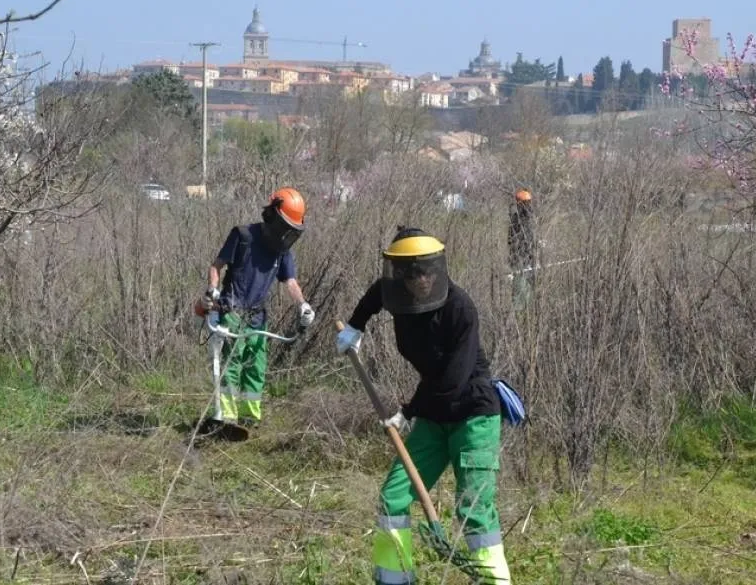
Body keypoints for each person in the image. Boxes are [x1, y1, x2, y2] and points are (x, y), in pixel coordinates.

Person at [336, 226, 511, 584]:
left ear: (437, 270)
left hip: (473, 414)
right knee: (393, 497)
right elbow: (374, 296)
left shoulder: (460, 308)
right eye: (413, 274)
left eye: (427, 273)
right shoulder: (396, 296)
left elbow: (452, 380)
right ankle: (395, 578)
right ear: (401, 275)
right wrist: (355, 328)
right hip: (434, 415)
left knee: (474, 509)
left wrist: (409, 411)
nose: (421, 281)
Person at [202, 187, 315, 428]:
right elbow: (216, 266)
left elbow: (290, 281)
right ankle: (227, 418)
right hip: (232, 311)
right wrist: (213, 290)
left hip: (257, 317)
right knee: (231, 366)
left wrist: (303, 305)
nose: (285, 235)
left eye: (290, 231)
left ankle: (250, 418)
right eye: (284, 227)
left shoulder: (282, 251)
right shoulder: (243, 236)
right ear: (272, 216)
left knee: (256, 368)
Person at [508, 189, 537, 307]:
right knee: (521, 288)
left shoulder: (528, 220)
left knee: (527, 289)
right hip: (521, 260)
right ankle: (520, 311)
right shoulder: (517, 220)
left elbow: (529, 239)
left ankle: (526, 310)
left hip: (527, 260)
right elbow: (512, 241)